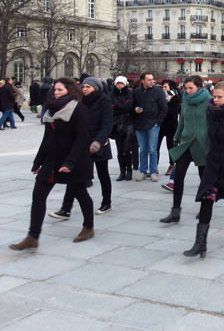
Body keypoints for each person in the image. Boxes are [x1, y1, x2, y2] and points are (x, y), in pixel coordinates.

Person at [9, 77, 95, 250]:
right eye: (55, 89)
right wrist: (37, 162)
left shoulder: (79, 109)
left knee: (80, 192)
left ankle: (88, 227)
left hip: (73, 160)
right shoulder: (51, 111)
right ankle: (32, 237)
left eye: (60, 90)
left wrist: (70, 162)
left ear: (70, 91)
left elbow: (82, 139)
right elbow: (47, 138)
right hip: (52, 160)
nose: (55, 92)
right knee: (38, 195)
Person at [183, 82, 224, 257]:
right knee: (207, 197)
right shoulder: (212, 113)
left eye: (219, 97)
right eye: (214, 96)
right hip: (214, 163)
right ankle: (200, 244)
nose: (216, 99)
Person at [50, 77, 114, 219]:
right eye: (83, 86)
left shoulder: (104, 101)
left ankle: (106, 202)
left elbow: (107, 124)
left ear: (96, 88)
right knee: (76, 176)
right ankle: (66, 209)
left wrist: (98, 141)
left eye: (88, 87)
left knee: (103, 173)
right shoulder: (80, 101)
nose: (84, 89)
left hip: (99, 143)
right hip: (83, 143)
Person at [160, 76, 211, 224]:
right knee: (179, 175)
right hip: (187, 141)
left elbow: (213, 121)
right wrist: (176, 137)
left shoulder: (208, 100)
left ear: (199, 87)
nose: (188, 91)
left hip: (202, 143)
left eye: (191, 88)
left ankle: (204, 209)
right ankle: (175, 211)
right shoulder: (186, 101)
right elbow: (182, 119)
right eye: (186, 88)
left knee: (204, 177)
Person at [133, 72, 167, 181]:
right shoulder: (136, 92)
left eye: (152, 79)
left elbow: (164, 108)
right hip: (139, 124)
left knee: (152, 149)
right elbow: (131, 105)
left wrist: (157, 123)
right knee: (143, 149)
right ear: (142, 81)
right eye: (149, 80)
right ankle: (143, 171)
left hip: (153, 124)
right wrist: (135, 109)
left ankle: (153, 172)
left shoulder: (158, 92)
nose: (152, 81)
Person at [111, 76, 135, 181]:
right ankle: (122, 171)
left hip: (128, 122)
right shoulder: (111, 94)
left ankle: (129, 170)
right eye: (118, 84)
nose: (120, 86)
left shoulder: (129, 93)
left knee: (126, 148)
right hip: (116, 123)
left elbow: (129, 106)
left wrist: (117, 106)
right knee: (119, 150)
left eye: (121, 83)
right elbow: (111, 107)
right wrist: (122, 106)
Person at [158, 80, 181, 186]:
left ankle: (172, 165)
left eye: (165, 87)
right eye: (163, 87)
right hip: (161, 124)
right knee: (156, 146)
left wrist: (164, 109)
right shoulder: (160, 97)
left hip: (171, 125)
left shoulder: (176, 97)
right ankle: (155, 166)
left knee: (170, 146)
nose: (163, 88)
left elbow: (174, 110)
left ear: (171, 88)